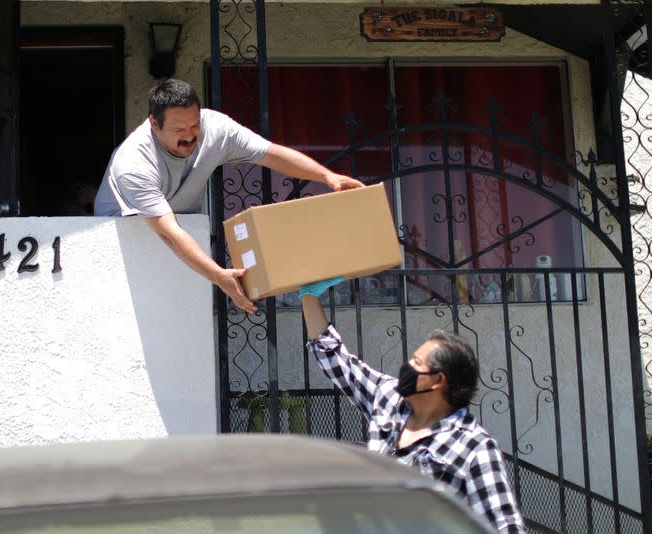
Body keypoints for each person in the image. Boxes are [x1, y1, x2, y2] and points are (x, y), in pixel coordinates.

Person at [94, 79, 364, 313]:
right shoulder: (133, 162)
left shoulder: (215, 128)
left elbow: (270, 154)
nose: (190, 136)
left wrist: (328, 176)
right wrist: (219, 276)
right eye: (178, 130)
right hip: (127, 243)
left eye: (194, 125)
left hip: (180, 234)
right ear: (154, 123)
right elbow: (167, 233)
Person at [299, 278, 526, 533]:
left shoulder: (475, 449)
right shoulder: (389, 399)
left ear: (438, 380)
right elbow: (337, 360)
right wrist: (309, 294)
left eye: (416, 363)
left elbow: (506, 528)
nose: (407, 367)